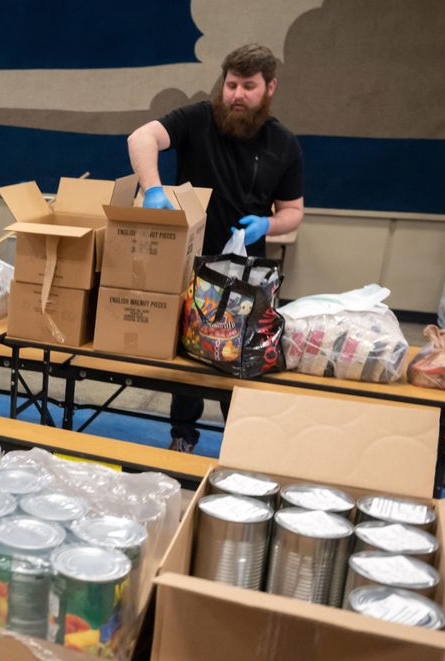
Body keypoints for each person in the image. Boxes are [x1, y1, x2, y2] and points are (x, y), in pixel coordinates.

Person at [127, 43, 304, 453]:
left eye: (248, 86)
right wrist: (153, 190)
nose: (237, 95)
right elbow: (142, 137)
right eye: (231, 85)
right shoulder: (197, 119)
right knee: (188, 359)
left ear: (269, 87)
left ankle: (239, 443)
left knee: (240, 362)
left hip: (248, 275)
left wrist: (269, 223)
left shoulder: (284, 144)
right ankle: (182, 435)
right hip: (192, 265)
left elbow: (294, 210)